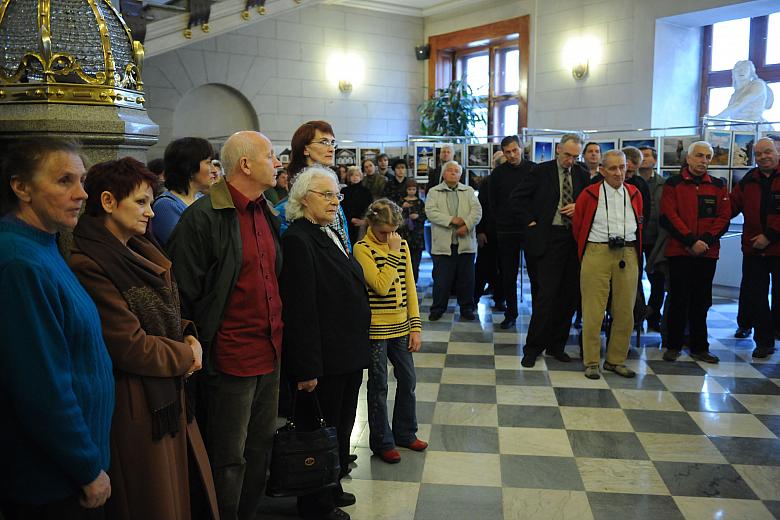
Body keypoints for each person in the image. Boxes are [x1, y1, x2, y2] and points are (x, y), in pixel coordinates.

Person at [69, 157, 218, 520]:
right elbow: (129, 345)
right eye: (140, 202)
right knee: (153, 502)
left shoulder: (139, 248)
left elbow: (168, 310)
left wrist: (189, 335)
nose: (150, 213)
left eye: (151, 202)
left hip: (165, 395)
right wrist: (186, 354)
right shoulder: (89, 262)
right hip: (136, 405)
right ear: (106, 202)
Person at [167, 131, 284, 520]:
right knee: (228, 458)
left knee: (259, 450)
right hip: (230, 357)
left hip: (269, 352)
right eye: (271, 156)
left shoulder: (265, 210)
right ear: (246, 164)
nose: (278, 163)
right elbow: (182, 292)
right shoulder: (202, 218)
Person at [0, 138, 114, 519]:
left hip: (64, 471)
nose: (82, 194)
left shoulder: (42, 245)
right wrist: (85, 467)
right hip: (50, 480)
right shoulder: (19, 262)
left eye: (82, 180)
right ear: (21, 187)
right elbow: (41, 386)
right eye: (65, 181)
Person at [279, 165, 370, 520]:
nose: (335, 201)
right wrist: (307, 367)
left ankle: (331, 485)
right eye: (326, 194)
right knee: (319, 431)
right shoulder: (298, 239)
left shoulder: (329, 230)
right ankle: (315, 504)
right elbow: (301, 310)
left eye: (337, 194)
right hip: (324, 358)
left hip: (346, 351)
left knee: (341, 426)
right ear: (303, 199)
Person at [353, 198, 427, 464]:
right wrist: (393, 252)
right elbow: (381, 286)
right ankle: (382, 441)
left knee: (408, 380)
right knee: (379, 386)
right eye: (383, 231)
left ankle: (405, 432)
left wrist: (415, 327)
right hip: (376, 329)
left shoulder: (401, 245)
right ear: (371, 224)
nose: (388, 236)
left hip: (401, 326)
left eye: (393, 231)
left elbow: (409, 286)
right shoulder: (362, 249)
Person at [511, 133, 589, 368]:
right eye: (567, 155)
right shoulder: (540, 171)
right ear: (558, 150)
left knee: (568, 296)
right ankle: (533, 348)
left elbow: (590, 203)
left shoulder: (582, 174)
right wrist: (531, 223)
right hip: (548, 239)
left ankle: (557, 346)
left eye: (575, 156)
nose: (570, 161)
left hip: (572, 240)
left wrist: (579, 206)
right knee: (545, 297)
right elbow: (516, 199)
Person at [573, 150, 643, 379]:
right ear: (602, 170)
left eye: (622, 167)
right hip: (597, 250)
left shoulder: (634, 193)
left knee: (625, 311)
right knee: (593, 310)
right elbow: (578, 225)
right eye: (612, 168)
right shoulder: (589, 193)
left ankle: (616, 360)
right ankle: (592, 361)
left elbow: (640, 220)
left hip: (627, 252)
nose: (619, 172)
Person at [660, 141, 730, 363]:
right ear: (688, 158)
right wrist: (691, 241)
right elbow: (669, 216)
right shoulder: (673, 184)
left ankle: (700, 347)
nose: (704, 160)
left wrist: (705, 241)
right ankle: (673, 345)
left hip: (707, 253)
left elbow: (723, 218)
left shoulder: (719, 185)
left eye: (708, 157)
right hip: (680, 251)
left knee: (702, 301)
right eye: (699, 155)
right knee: (678, 299)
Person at [730, 138, 780, 358]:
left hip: (777, 249)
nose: (763, 157)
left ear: (777, 152)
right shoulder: (748, 180)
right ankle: (763, 341)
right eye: (758, 154)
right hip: (753, 251)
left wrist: (769, 236)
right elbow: (730, 207)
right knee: (756, 296)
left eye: (768, 152)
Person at [488, 135, 536, 329]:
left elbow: (540, 198)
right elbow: (493, 203)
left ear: (521, 148)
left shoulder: (534, 169)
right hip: (507, 230)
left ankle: (539, 313)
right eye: (507, 152)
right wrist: (501, 223)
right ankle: (511, 313)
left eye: (515, 150)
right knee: (508, 274)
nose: (512, 155)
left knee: (535, 273)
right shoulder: (498, 174)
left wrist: (535, 221)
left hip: (530, 228)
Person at [425, 160, 482, 321]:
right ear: (443, 174)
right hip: (443, 244)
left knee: (467, 280)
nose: (453, 173)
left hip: (465, 243)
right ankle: (438, 308)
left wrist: (467, 225)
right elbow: (430, 212)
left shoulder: (469, 191)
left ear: (460, 174)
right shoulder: (434, 192)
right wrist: (452, 220)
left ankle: (466, 308)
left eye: (456, 171)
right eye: (450, 170)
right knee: (442, 280)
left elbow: (477, 211)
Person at [287, 120, 351, 251]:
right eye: (324, 142)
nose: (331, 148)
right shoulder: (300, 186)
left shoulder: (330, 178)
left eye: (332, 143)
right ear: (305, 149)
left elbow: (341, 228)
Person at [151, 137, 219, 246]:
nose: (214, 170)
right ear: (190, 168)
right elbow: (186, 249)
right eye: (208, 162)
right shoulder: (166, 206)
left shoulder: (201, 199)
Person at [638, 146, 665, 332]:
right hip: (637, 237)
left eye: (647, 156)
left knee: (658, 279)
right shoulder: (632, 182)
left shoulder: (663, 184)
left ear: (654, 160)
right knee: (633, 278)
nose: (643, 159)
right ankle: (636, 314)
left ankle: (655, 315)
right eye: (640, 156)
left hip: (657, 238)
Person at [400, 178, 426, 283]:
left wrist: (418, 216)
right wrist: (402, 208)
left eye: (413, 189)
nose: (411, 191)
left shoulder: (420, 202)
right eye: (409, 189)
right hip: (404, 234)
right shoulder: (401, 201)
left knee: (416, 261)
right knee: (404, 260)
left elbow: (425, 216)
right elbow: (395, 217)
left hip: (417, 235)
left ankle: (414, 281)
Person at [341, 165, 372, 245]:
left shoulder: (366, 191)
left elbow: (370, 208)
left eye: (357, 175)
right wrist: (350, 219)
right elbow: (342, 208)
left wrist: (364, 221)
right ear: (348, 177)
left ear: (361, 177)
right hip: (347, 223)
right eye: (352, 175)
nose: (355, 177)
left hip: (364, 223)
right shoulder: (344, 191)